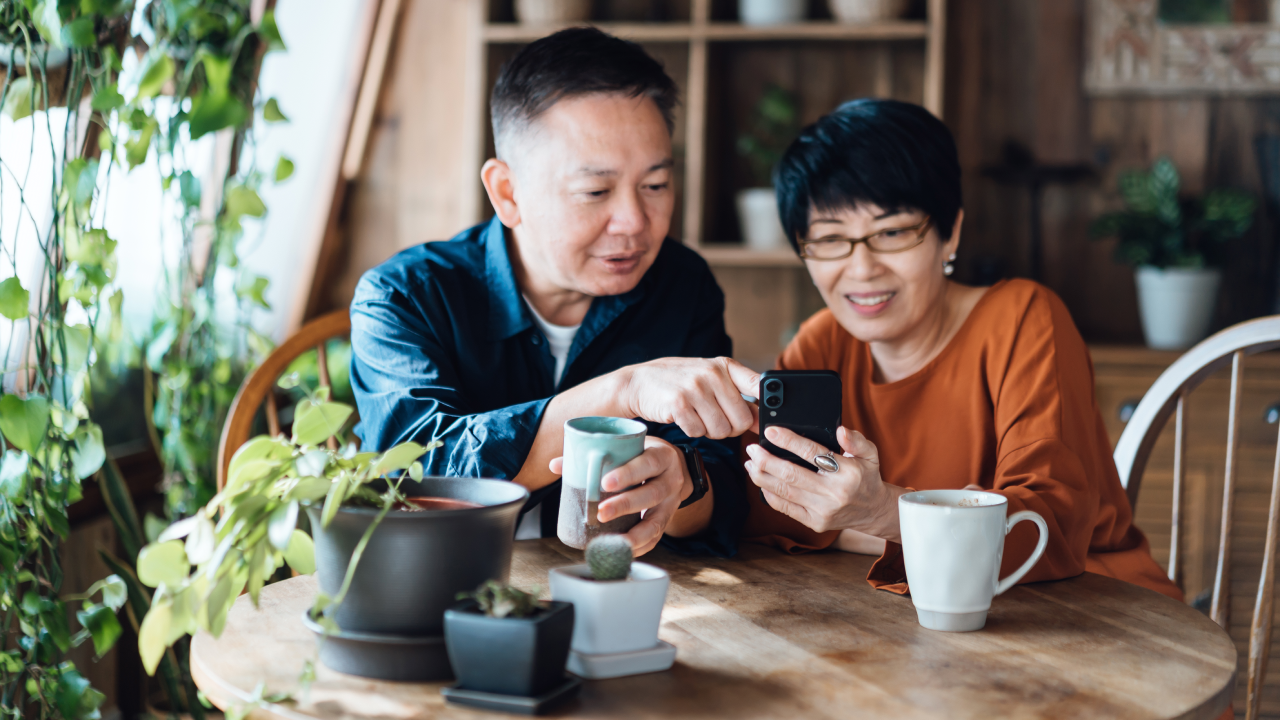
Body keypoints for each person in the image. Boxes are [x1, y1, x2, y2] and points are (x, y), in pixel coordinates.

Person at [740, 98, 1180, 600]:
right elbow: (765, 504)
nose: (861, 269)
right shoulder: (821, 342)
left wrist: (882, 514)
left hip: (1089, 611)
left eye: (892, 232)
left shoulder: (1024, 320)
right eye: (830, 239)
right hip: (930, 623)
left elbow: (1046, 524)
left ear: (950, 233)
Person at [349, 27, 759, 557]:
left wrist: (680, 483)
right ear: (507, 192)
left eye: (655, 184)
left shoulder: (681, 285)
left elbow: (721, 486)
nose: (635, 222)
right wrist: (622, 392)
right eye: (595, 191)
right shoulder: (403, 296)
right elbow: (421, 476)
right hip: (443, 592)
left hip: (625, 595)